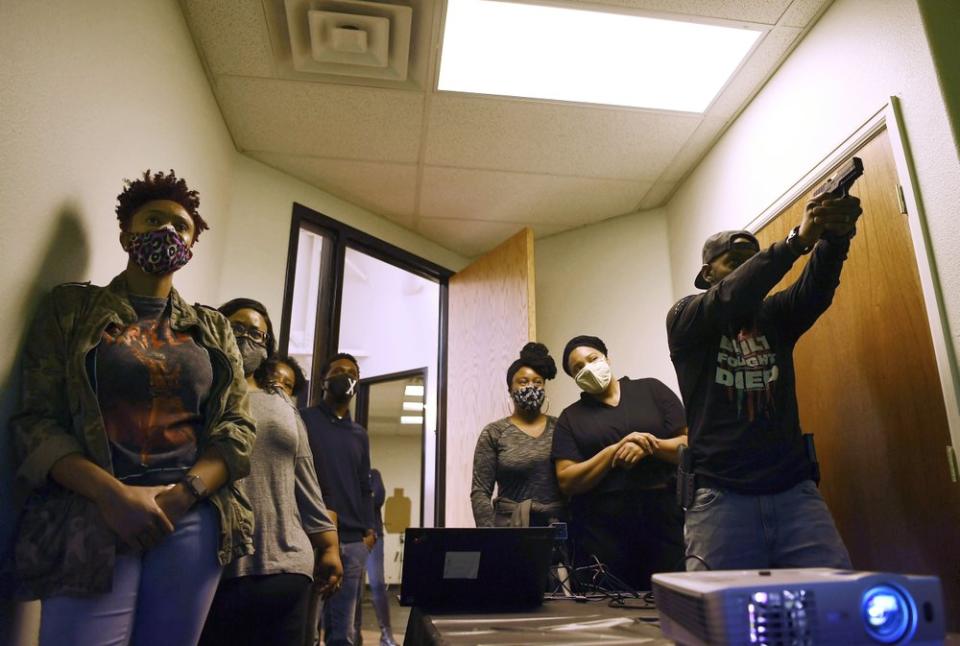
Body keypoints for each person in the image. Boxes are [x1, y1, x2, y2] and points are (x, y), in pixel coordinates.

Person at [9, 170, 256, 646]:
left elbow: (236, 426)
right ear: (126, 232)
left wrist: (183, 494)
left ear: (191, 245)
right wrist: (110, 495)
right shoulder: (70, 310)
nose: (168, 232)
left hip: (191, 516)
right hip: (90, 514)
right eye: (154, 219)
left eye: (180, 226)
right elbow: (36, 421)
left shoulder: (213, 328)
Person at [666, 193, 862, 572]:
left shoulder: (773, 316)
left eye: (753, 263)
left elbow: (815, 290)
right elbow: (729, 297)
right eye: (735, 263)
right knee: (719, 622)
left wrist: (835, 238)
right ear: (708, 274)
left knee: (832, 606)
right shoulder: (685, 318)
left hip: (794, 493)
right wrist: (794, 243)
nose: (747, 270)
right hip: (720, 499)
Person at [199, 299, 344, 646]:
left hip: (289, 567)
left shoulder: (281, 403)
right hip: (217, 571)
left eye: (257, 334)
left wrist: (329, 547)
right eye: (237, 328)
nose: (247, 339)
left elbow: (305, 480)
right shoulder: (199, 391)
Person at [552, 335, 687, 591]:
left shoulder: (652, 390)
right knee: (609, 606)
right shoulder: (570, 418)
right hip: (601, 531)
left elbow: (690, 446)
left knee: (672, 601)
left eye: (592, 359)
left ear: (607, 358)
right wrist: (613, 452)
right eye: (578, 367)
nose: (587, 368)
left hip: (662, 521)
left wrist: (650, 446)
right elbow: (567, 480)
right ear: (573, 378)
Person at [301, 353, 376, 646]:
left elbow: (364, 485)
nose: (345, 376)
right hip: (313, 538)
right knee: (305, 630)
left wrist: (370, 531)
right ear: (324, 380)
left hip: (354, 542)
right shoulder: (304, 420)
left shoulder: (359, 434)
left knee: (343, 633)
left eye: (351, 372)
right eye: (338, 371)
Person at [471, 342, 566, 528]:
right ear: (510, 389)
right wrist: (490, 536)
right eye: (523, 382)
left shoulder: (561, 427)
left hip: (556, 527)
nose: (531, 386)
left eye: (538, 382)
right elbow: (480, 492)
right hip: (509, 529)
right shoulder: (494, 433)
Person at [353, 468, 398, 646]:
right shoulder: (349, 476)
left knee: (377, 583)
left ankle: (386, 634)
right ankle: (355, 634)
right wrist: (365, 498)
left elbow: (378, 498)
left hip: (375, 536)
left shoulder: (374, 474)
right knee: (354, 587)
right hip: (354, 537)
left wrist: (360, 501)